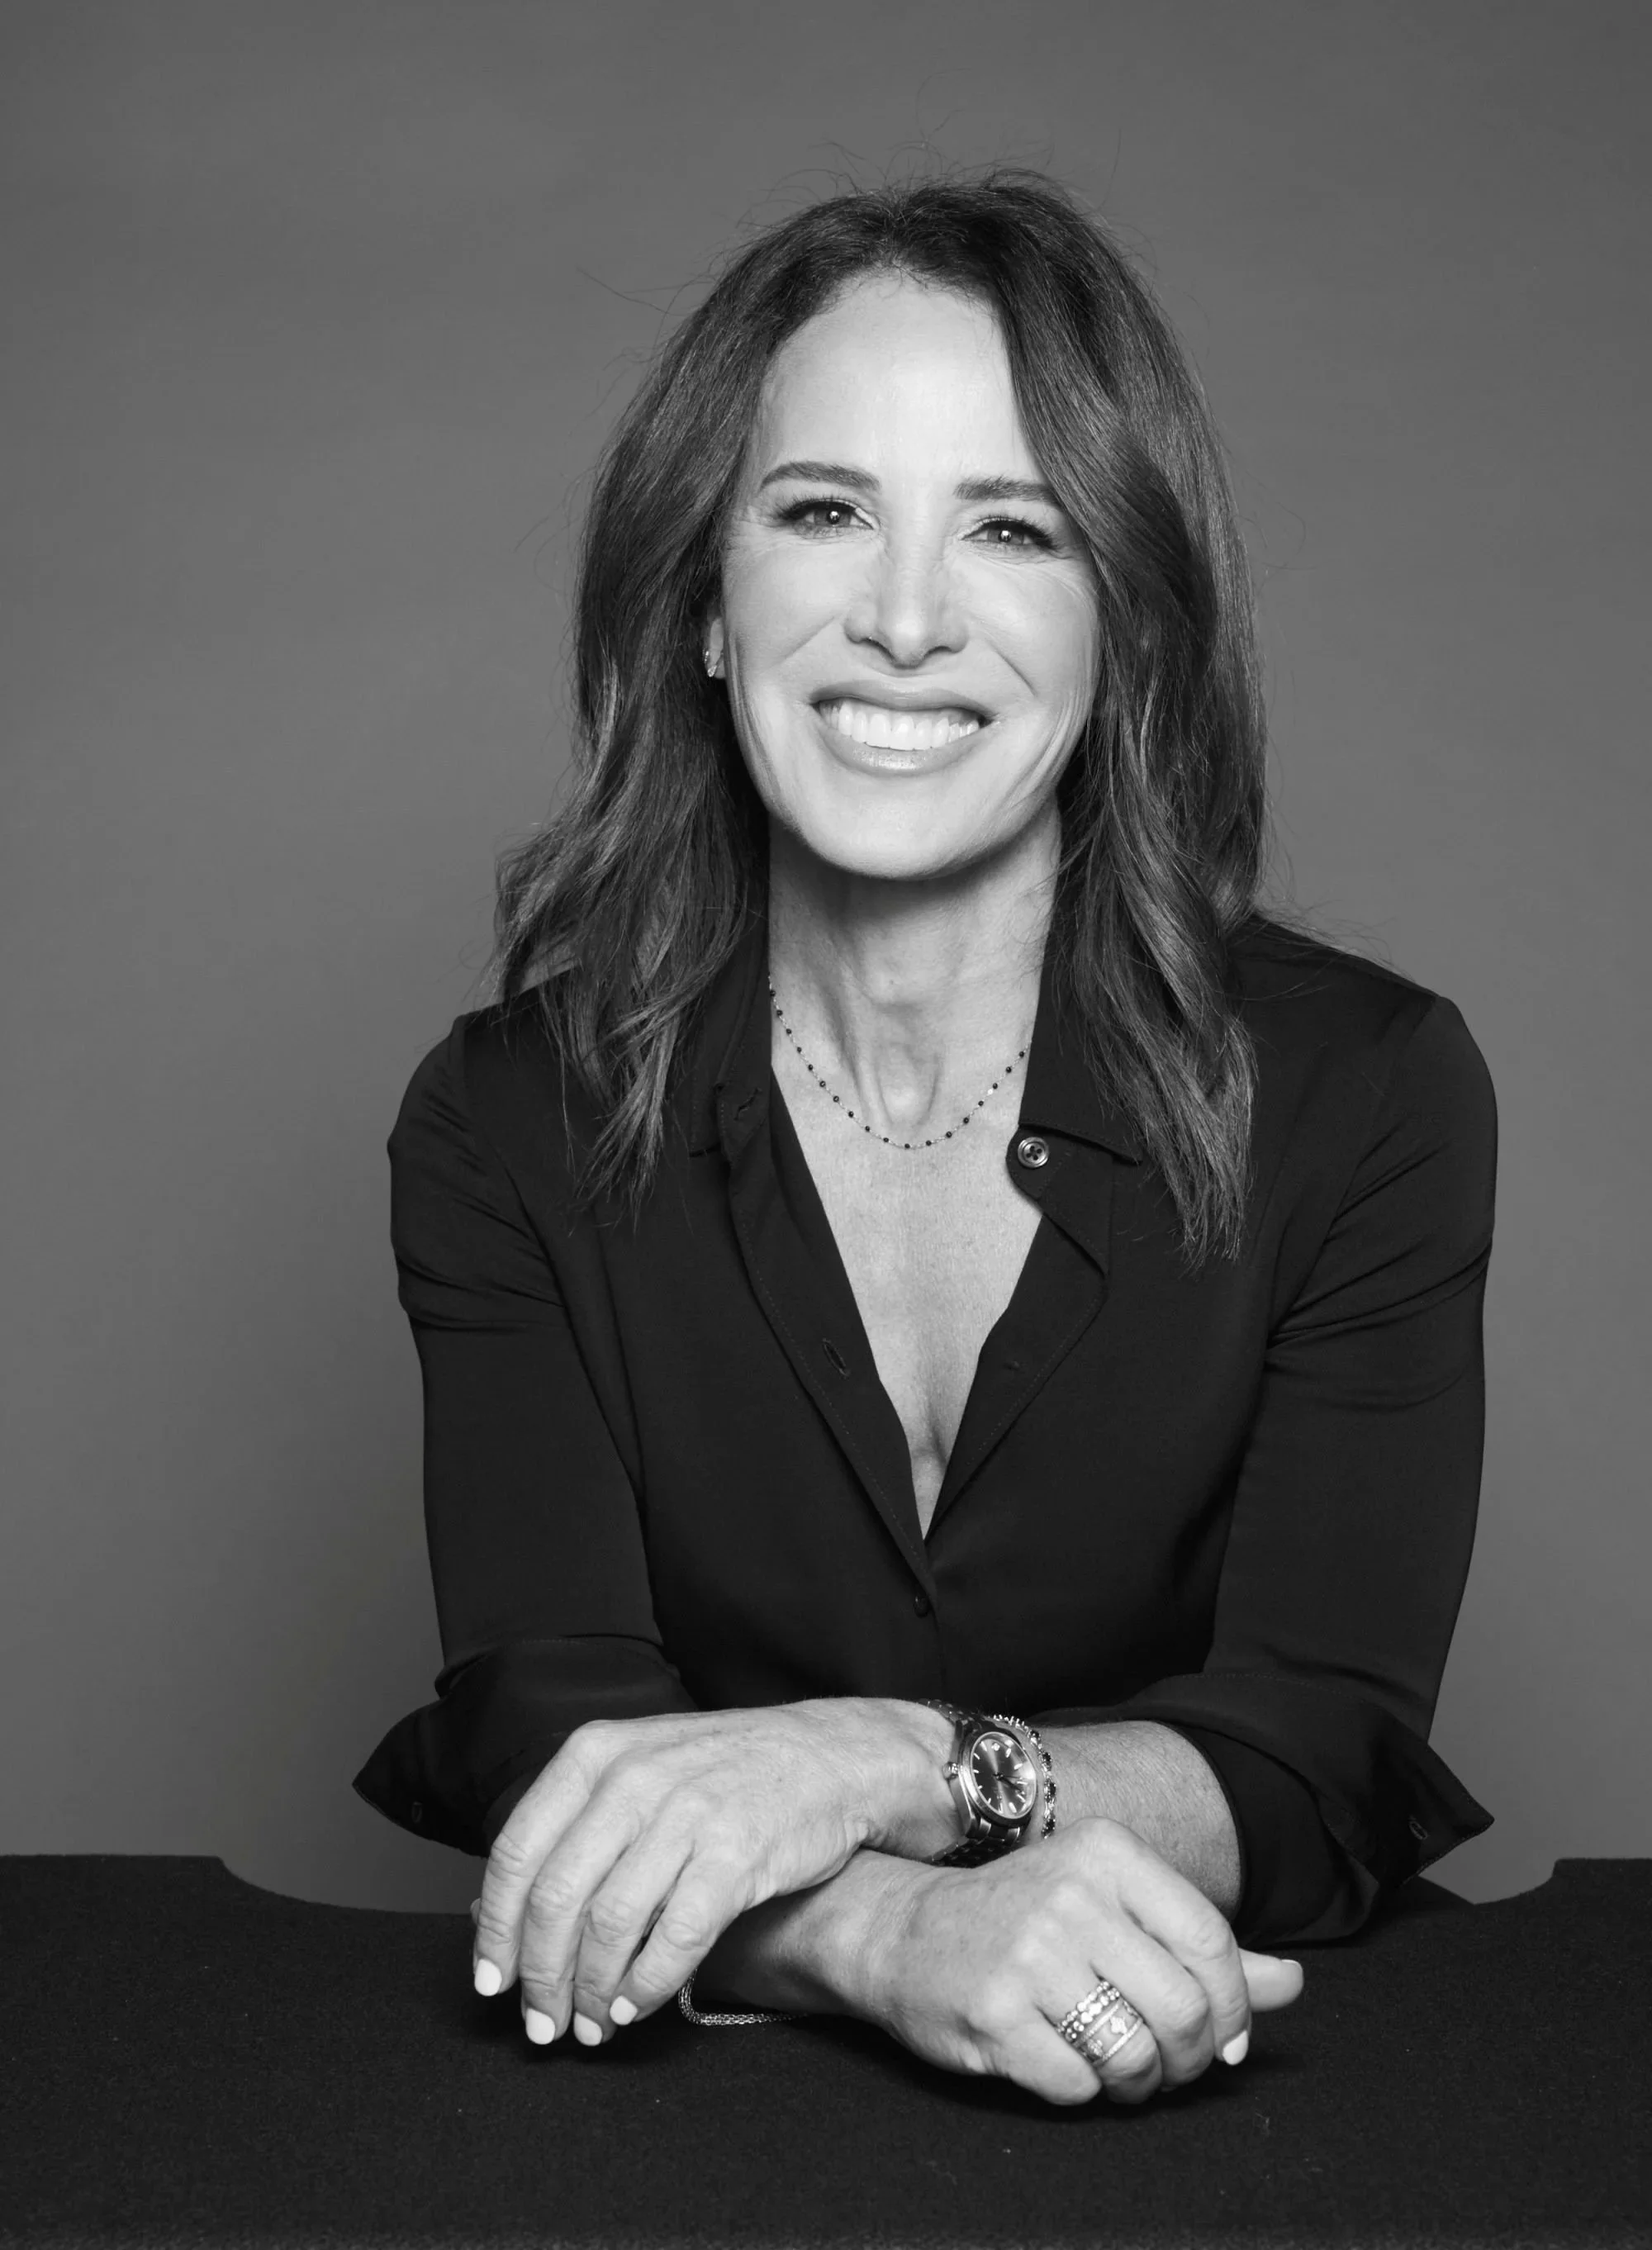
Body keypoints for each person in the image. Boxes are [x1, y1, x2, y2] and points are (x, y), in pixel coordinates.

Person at [354, 172, 1498, 2108]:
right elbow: (552, 1725)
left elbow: (1317, 1745)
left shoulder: (1365, 1093)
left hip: (1266, 2101)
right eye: (821, 514)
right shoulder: (502, 1123)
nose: (899, 620)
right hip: (665, 2133)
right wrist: (884, 1939)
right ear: (705, 608)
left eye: (1011, 527)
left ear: (1123, 620)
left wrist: (878, 1758)